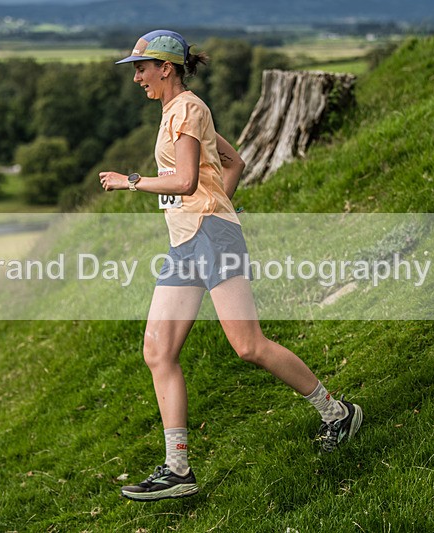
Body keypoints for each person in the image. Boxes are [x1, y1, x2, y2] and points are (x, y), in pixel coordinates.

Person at [99, 29, 363, 502]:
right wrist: (217, 205)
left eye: (141, 67)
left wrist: (130, 181)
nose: (136, 76)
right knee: (158, 351)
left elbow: (182, 181)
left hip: (210, 239)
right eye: (134, 69)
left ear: (167, 68)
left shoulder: (186, 108)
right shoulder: (178, 112)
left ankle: (336, 412)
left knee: (248, 345)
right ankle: (178, 469)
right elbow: (233, 161)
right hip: (188, 242)